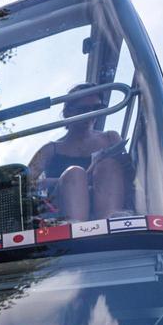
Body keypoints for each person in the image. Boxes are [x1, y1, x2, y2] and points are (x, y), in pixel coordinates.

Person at [27, 83, 129, 222]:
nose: (90, 114)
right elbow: (26, 184)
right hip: (63, 209)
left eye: (96, 108)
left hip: (107, 198)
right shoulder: (49, 150)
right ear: (68, 112)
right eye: (83, 109)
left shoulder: (111, 138)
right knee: (75, 174)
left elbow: (128, 173)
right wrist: (76, 180)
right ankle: (76, 227)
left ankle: (111, 221)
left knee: (108, 166)